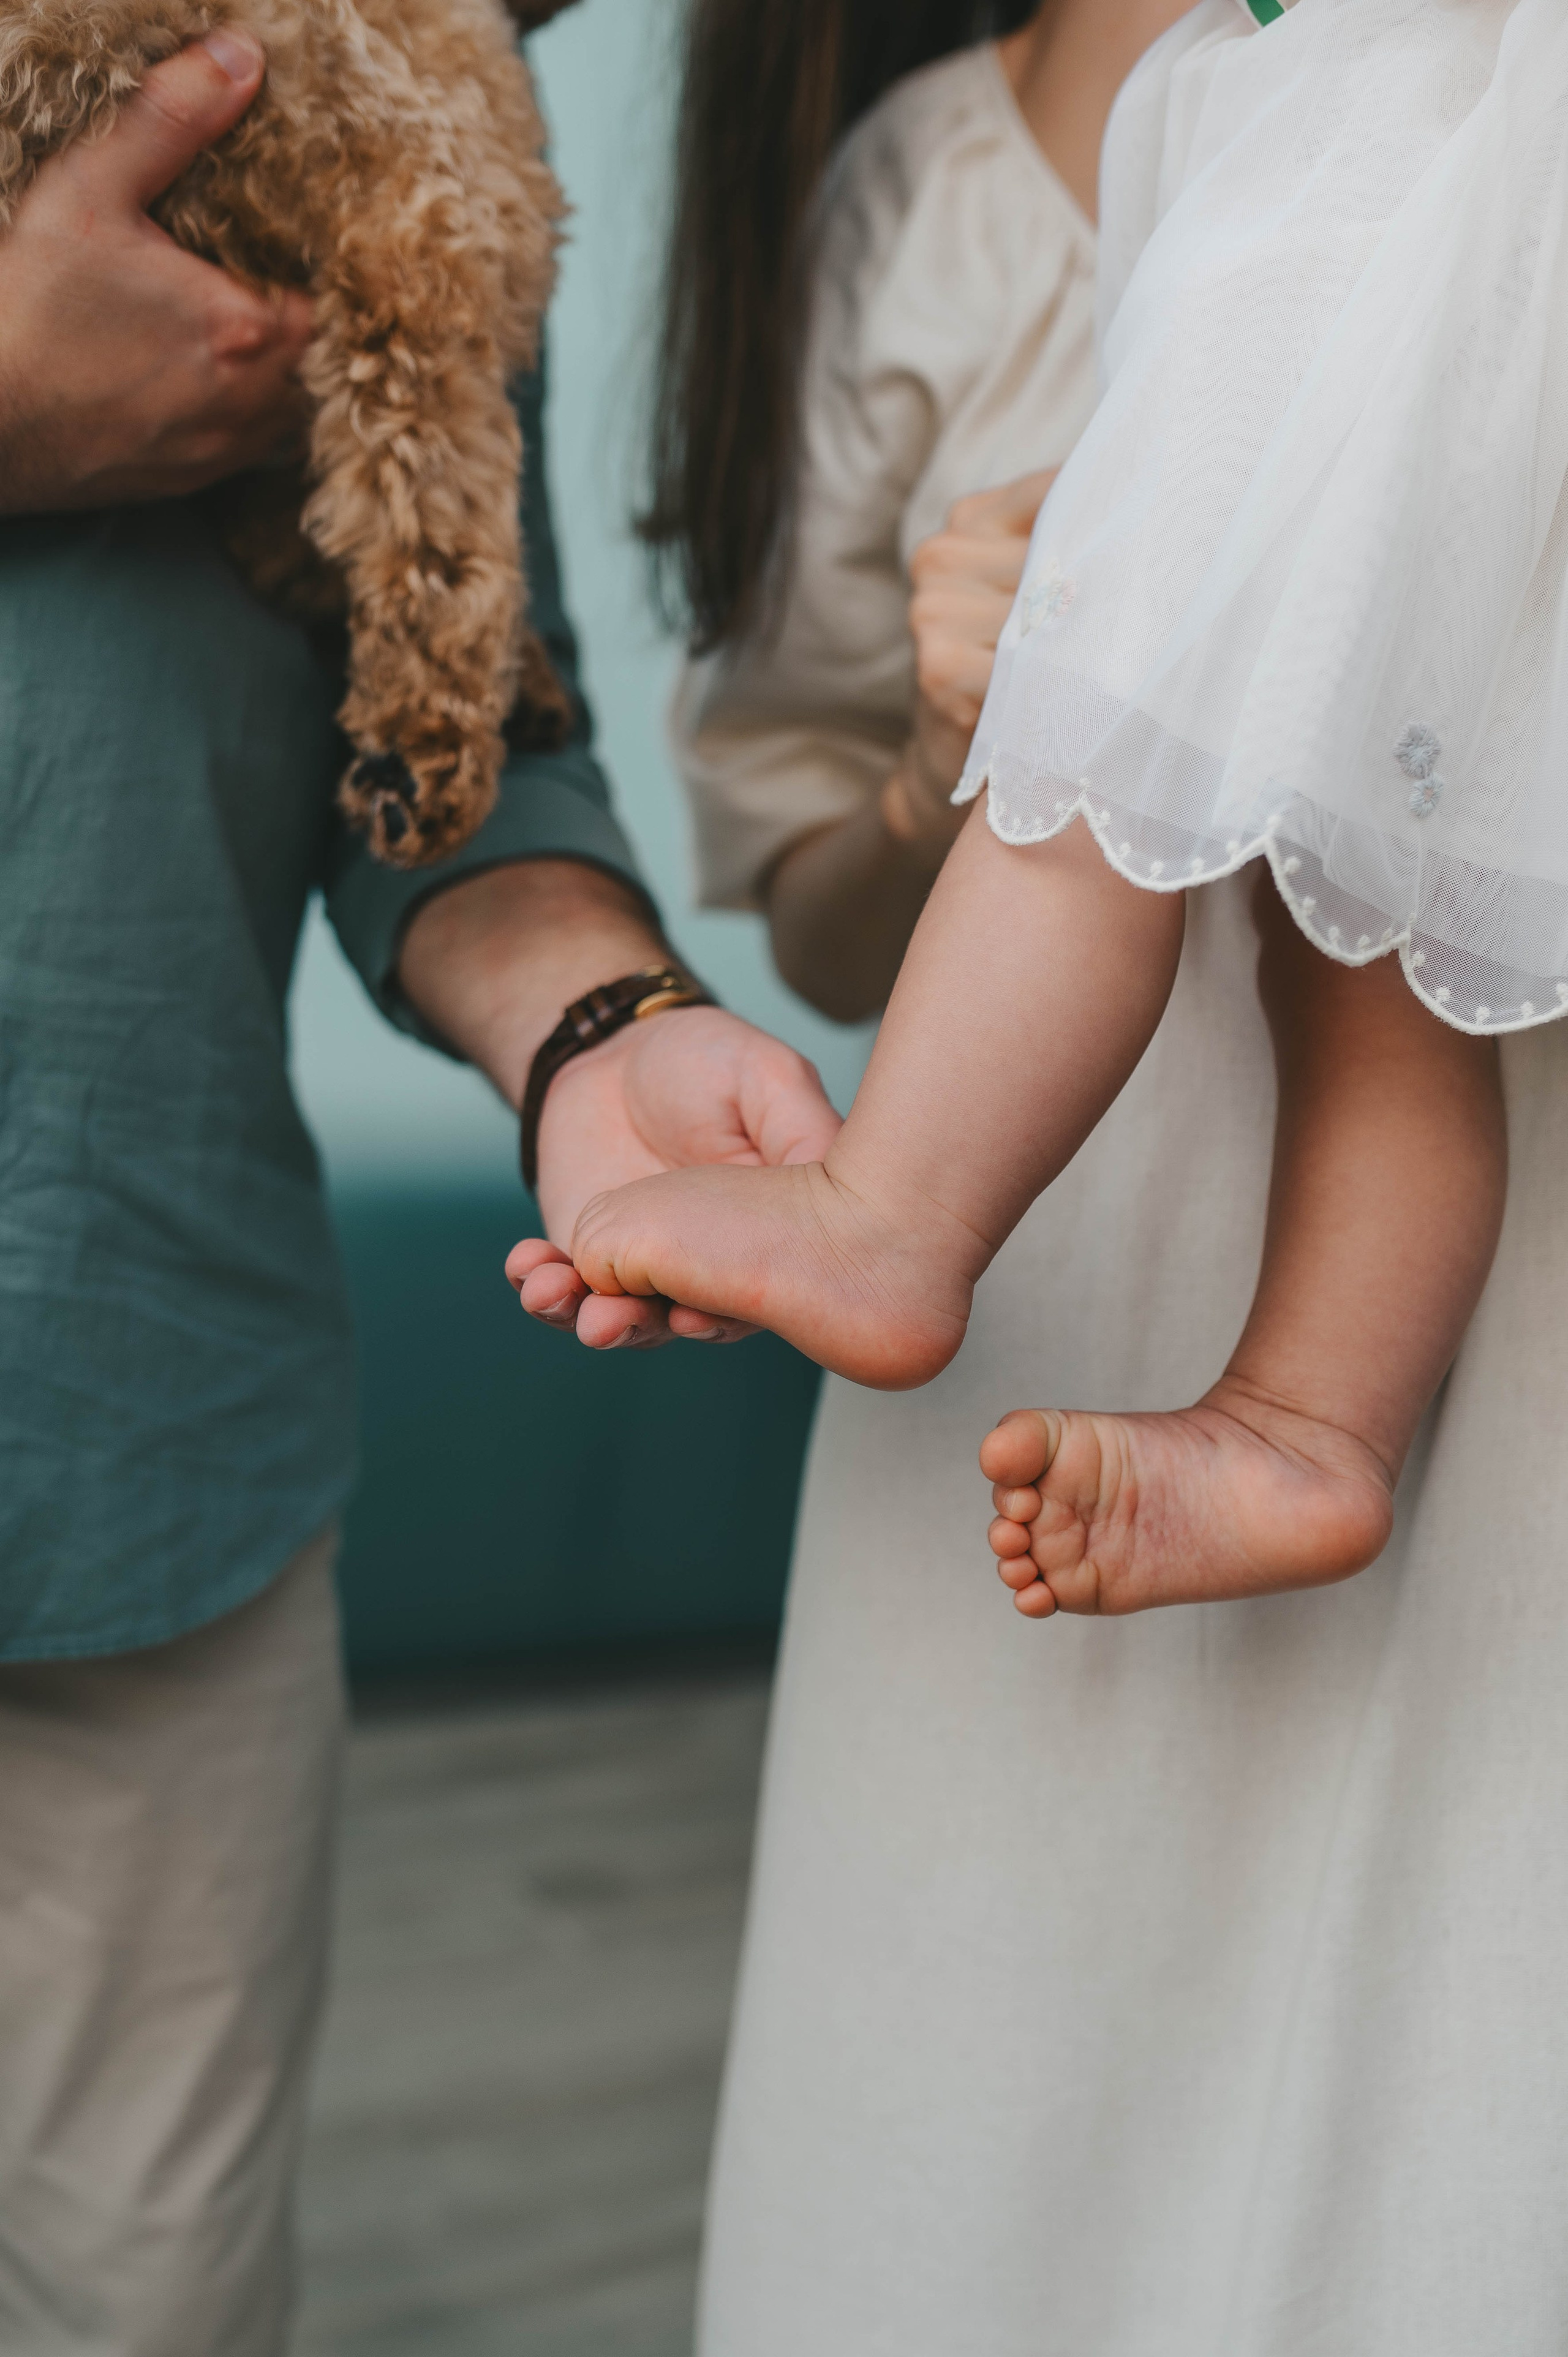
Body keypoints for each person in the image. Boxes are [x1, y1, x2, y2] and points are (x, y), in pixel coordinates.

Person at [519, 0, 1568, 2348]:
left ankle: (981, 1248)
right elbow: (819, 883)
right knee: (1005, 2152)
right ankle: (1234, 1374)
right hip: (1108, 1293)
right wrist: (956, 737)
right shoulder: (1030, 165)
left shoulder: (1349, 126)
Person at [0, 30, 837, 2351]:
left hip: (142, 1458)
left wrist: (601, 1025)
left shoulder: (406, 87)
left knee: (151, 2302)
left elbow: (461, 742)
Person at [565, 0, 1550, 1623]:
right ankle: (1310, 1420)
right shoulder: (953, 178)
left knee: (1115, 779)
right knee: (1362, 941)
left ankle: (902, 1216)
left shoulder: (1336, 130)